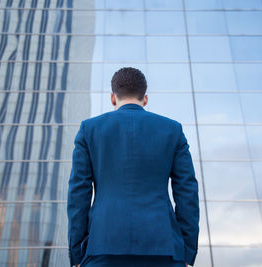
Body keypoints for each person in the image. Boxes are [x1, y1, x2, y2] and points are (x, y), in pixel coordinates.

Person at [67, 67, 200, 267]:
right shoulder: (173, 130)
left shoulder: (89, 130)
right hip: (164, 248)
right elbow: (187, 192)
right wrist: (188, 252)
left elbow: (78, 194)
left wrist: (77, 253)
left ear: (112, 98)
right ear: (145, 99)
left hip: (102, 246)